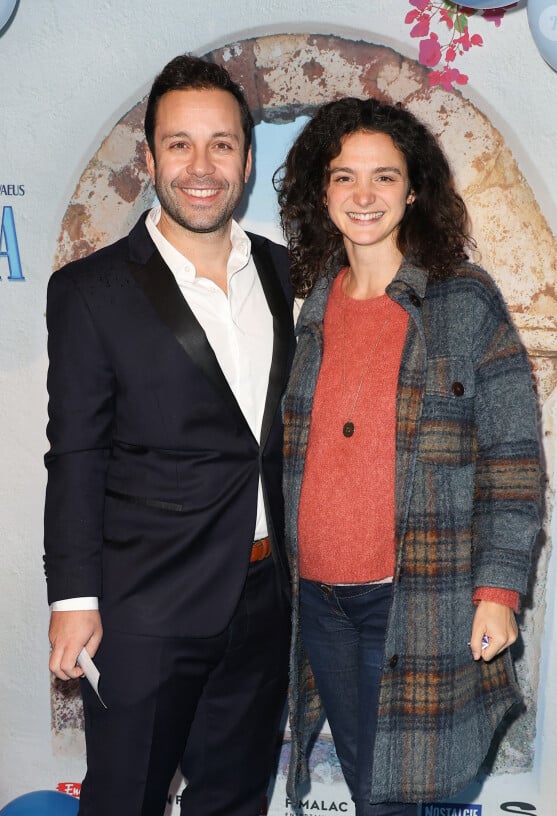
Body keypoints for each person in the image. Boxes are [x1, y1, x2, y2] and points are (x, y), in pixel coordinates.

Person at [44, 54, 295, 816]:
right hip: (143, 605)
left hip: (261, 594)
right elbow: (77, 453)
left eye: (221, 144)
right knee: (126, 799)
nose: (201, 165)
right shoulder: (91, 290)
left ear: (247, 162)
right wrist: (73, 597)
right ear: (150, 158)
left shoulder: (287, 274)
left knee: (235, 799)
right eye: (179, 144)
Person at [276, 97, 542, 815]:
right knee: (368, 779)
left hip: (414, 597)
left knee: (399, 793)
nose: (364, 196)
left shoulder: (464, 301)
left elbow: (514, 462)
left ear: (414, 188)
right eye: (344, 178)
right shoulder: (311, 307)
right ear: (320, 191)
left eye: (385, 177)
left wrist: (499, 592)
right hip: (318, 599)